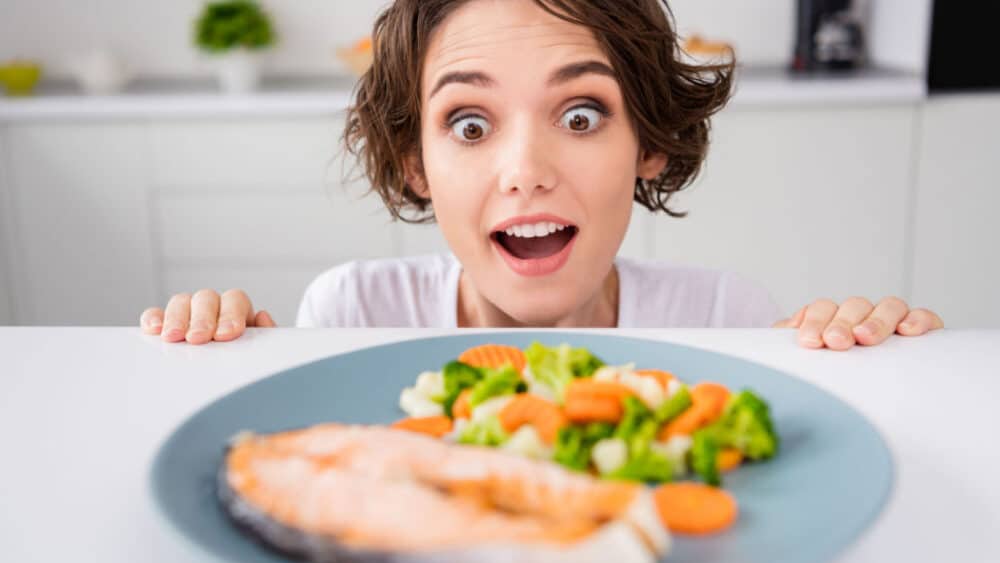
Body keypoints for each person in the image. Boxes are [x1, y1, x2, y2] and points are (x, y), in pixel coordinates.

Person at [139, 0, 943, 350]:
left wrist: (878, 361)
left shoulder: (727, 321)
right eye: (469, 123)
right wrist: (220, 355)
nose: (525, 173)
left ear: (650, 144)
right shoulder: (349, 314)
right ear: (416, 163)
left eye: (582, 115)